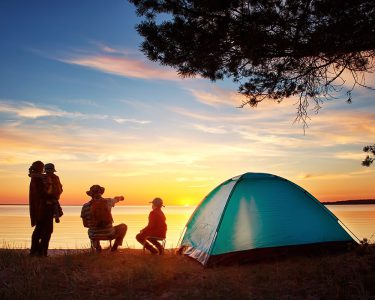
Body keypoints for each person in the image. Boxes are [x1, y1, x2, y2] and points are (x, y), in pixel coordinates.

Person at [80, 184, 127, 252]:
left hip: (93, 235)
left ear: (91, 194)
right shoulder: (108, 201)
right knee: (124, 226)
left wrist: (96, 225)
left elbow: (85, 225)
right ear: (101, 193)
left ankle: (97, 247)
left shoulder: (85, 206)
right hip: (109, 234)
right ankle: (114, 249)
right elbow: (116, 199)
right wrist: (121, 197)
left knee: (92, 230)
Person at [28, 160, 54, 257]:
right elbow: (43, 193)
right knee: (45, 230)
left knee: (40, 230)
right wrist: (51, 198)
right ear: (41, 168)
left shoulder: (37, 178)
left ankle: (38, 251)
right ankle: (40, 252)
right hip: (43, 207)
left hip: (40, 208)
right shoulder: (38, 179)